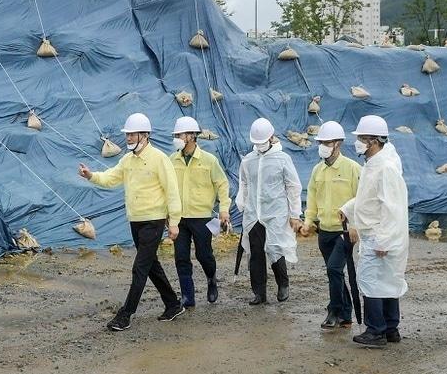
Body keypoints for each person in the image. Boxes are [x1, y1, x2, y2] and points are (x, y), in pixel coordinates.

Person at [79, 113, 185, 331]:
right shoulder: (127, 160)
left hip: (153, 221)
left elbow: (172, 191)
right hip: (135, 221)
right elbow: (111, 178)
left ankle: (125, 315)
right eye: (127, 134)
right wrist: (91, 175)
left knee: (140, 268)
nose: (128, 138)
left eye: (132, 134)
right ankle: (173, 304)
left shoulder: (159, 159)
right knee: (151, 265)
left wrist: (174, 222)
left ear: (145, 135)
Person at [340, 115, 408, 348]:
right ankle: (391, 328)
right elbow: (368, 198)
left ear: (374, 141)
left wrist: (383, 241)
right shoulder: (374, 164)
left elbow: (392, 207)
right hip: (378, 234)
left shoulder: (385, 168)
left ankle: (376, 331)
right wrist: (348, 209)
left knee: (370, 282)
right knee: (386, 282)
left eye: (362, 138)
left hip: (379, 235)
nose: (358, 142)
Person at [301, 121, 362, 329]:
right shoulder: (317, 170)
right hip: (324, 231)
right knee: (334, 271)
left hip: (343, 232)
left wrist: (355, 225)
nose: (322, 146)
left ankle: (334, 311)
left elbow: (362, 199)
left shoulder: (352, 169)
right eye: (321, 142)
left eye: (326, 142)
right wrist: (308, 222)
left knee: (334, 270)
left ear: (337, 143)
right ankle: (346, 315)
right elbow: (312, 198)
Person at [236, 118, 301, 305]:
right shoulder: (248, 160)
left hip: (276, 213)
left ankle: (283, 283)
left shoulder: (283, 159)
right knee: (256, 252)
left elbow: (293, 186)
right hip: (254, 213)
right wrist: (242, 202)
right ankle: (259, 292)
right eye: (256, 143)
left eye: (262, 141)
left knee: (274, 248)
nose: (260, 145)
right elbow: (244, 183)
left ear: (272, 137)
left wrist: (295, 214)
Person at [170, 117, 231, 307]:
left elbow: (222, 184)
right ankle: (188, 296)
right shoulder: (172, 160)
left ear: (191, 136)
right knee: (181, 257)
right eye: (176, 135)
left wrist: (223, 210)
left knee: (204, 255)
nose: (177, 138)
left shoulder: (208, 160)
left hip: (202, 217)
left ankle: (211, 279)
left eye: (180, 134)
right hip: (179, 218)